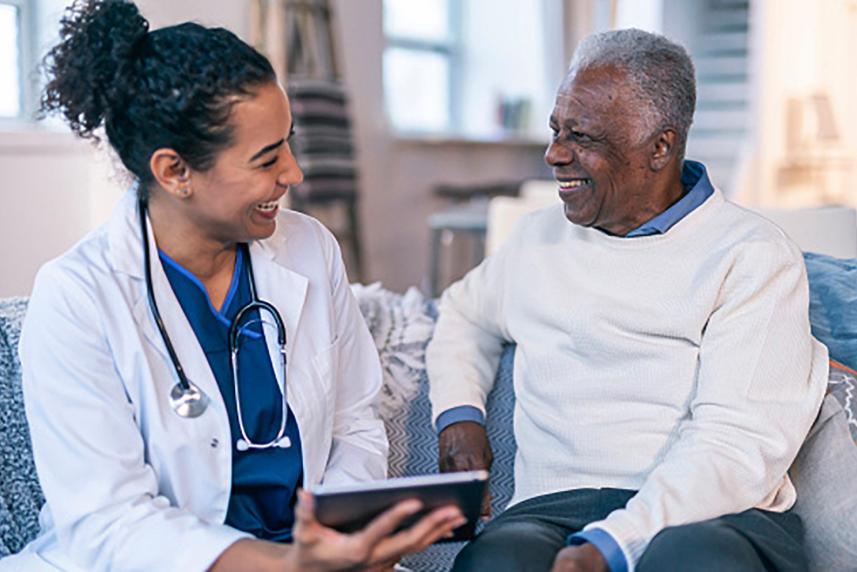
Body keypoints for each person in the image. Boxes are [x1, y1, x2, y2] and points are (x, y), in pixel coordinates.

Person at [5, 1, 464, 570]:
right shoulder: (77, 296)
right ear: (175, 172)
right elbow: (109, 523)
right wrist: (288, 567)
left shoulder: (309, 249)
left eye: (288, 144)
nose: (294, 173)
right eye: (267, 158)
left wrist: (342, 536)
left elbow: (354, 423)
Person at [427, 28, 828, 572]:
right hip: (550, 513)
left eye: (583, 138)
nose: (554, 154)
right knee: (496, 562)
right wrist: (459, 416)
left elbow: (736, 445)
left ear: (659, 147)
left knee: (687, 559)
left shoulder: (752, 256)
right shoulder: (534, 238)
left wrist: (615, 545)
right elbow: (462, 314)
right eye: (555, 130)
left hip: (717, 517)